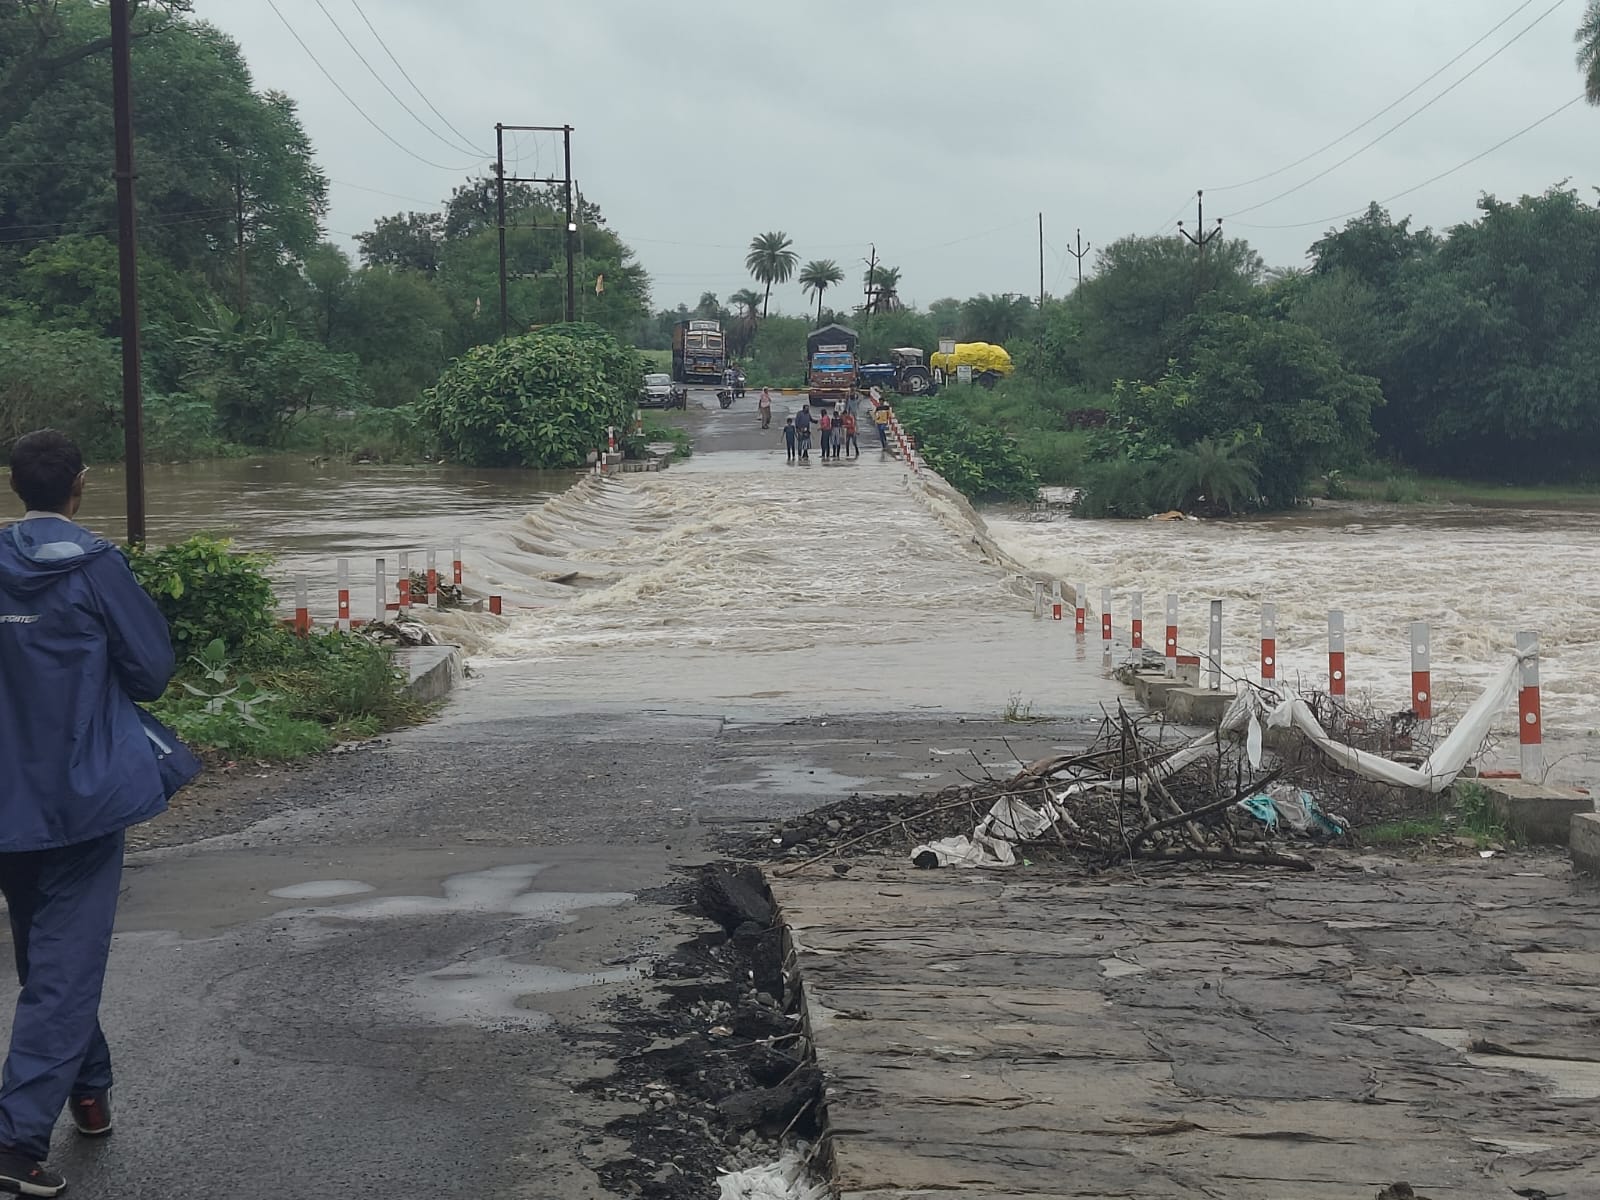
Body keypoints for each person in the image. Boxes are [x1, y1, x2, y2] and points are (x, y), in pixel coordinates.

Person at [0, 430, 182, 1197]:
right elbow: (150, 674)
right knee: (65, 968)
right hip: (83, 798)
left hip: (7, 801)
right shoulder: (99, 567)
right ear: (80, 484)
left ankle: (90, 1087)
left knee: (50, 957)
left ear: (14, 487)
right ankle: (14, 1145)